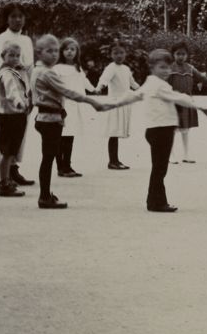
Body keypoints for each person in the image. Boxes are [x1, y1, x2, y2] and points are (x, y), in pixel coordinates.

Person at [120, 50, 207, 212]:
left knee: (158, 168)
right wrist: (203, 108)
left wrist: (108, 105)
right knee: (160, 169)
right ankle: (156, 203)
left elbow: (134, 96)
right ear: (152, 68)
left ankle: (155, 201)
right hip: (161, 131)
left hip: (156, 130)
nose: (166, 71)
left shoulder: (150, 83)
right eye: (162, 67)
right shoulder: (159, 85)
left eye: (168, 68)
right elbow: (180, 98)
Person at [29, 35, 120, 210]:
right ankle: (44, 197)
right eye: (50, 51)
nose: (54, 54)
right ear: (39, 53)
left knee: (48, 157)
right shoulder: (47, 72)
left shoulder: (36, 70)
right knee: (48, 159)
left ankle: (46, 193)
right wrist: (93, 102)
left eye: (56, 50)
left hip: (46, 118)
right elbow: (67, 91)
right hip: (51, 119)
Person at [0, 4, 35, 187]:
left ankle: (14, 171)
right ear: (6, 19)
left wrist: (31, 93)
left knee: (19, 133)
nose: (17, 20)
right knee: (7, 134)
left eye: (21, 16)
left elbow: (30, 66)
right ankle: (5, 174)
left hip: (23, 87)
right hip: (6, 88)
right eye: (13, 16)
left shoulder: (27, 40)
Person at [0, 42, 31, 197]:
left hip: (16, 115)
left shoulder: (15, 71)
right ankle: (4, 184)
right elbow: (12, 90)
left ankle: (7, 179)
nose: (15, 58)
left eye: (17, 55)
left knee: (11, 151)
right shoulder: (6, 73)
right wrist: (18, 102)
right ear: (3, 57)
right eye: (11, 55)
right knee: (8, 151)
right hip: (10, 115)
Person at [167, 40, 207, 164]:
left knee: (185, 129)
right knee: (172, 130)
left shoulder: (190, 68)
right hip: (173, 102)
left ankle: (186, 154)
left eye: (183, 54)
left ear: (187, 55)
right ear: (173, 55)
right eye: (178, 54)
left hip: (187, 102)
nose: (181, 56)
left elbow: (202, 77)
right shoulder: (170, 68)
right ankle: (170, 155)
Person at [97, 43, 139, 170]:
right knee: (113, 132)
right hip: (115, 103)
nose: (119, 56)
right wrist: (99, 87)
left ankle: (115, 160)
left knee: (117, 133)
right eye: (116, 53)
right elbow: (104, 79)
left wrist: (144, 91)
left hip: (124, 103)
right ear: (111, 55)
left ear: (125, 54)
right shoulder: (111, 67)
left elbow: (133, 83)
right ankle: (112, 161)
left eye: (121, 53)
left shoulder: (126, 69)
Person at [54, 37, 91, 178]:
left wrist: (94, 89)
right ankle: (60, 167)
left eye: (72, 49)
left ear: (77, 52)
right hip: (63, 105)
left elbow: (84, 81)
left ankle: (67, 165)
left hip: (75, 107)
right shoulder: (57, 68)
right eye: (66, 49)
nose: (69, 52)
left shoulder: (78, 68)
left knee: (70, 137)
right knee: (60, 137)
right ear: (61, 51)